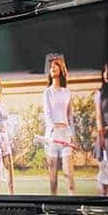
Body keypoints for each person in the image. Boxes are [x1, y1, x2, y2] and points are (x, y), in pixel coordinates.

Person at [42, 57, 76, 195]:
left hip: (65, 135)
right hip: (52, 136)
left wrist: (72, 136)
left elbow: (70, 117)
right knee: (53, 182)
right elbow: (47, 115)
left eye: (56, 65)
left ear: (61, 69)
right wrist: (53, 133)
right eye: (51, 66)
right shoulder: (47, 92)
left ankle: (74, 204)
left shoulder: (67, 92)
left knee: (69, 177)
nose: (53, 67)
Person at [95, 63, 108, 196]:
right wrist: (101, 136)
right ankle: (103, 197)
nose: (107, 74)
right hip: (105, 135)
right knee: (104, 169)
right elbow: (98, 117)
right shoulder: (99, 94)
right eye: (105, 71)